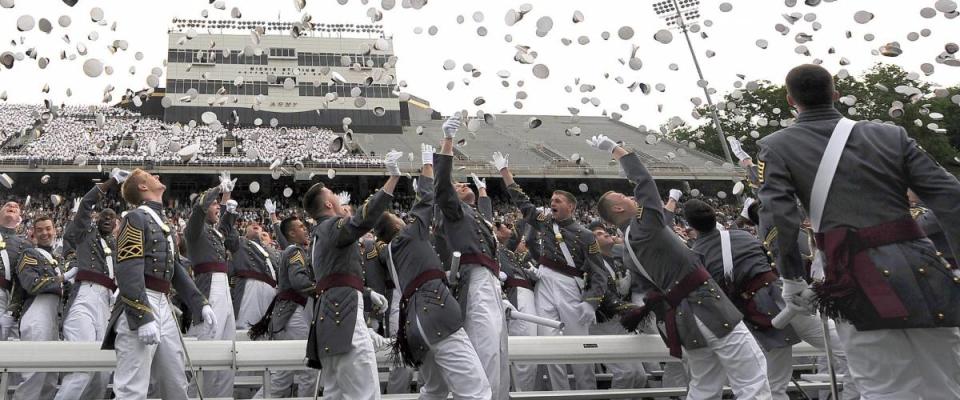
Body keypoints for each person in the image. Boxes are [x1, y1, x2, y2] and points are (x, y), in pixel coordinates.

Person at [757, 63, 960, 399]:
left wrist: (792, 277)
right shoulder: (890, 134)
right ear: (835, 94)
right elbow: (952, 196)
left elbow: (779, 216)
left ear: (791, 100)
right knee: (947, 383)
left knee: (884, 386)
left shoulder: (776, 146)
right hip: (925, 268)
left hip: (855, 273)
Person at [589, 135, 771, 399]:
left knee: (704, 386)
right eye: (623, 196)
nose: (630, 196)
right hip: (706, 306)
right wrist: (617, 151)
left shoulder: (628, 246)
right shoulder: (643, 225)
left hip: (684, 317)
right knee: (752, 374)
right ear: (618, 208)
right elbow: (644, 182)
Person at [683, 199, 856, 399]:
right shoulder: (745, 237)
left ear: (690, 226)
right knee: (848, 348)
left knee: (774, 386)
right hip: (783, 299)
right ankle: (854, 394)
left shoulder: (696, 254)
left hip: (758, 314)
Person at [372, 143, 491, 400]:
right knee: (476, 391)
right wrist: (427, 164)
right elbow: (425, 200)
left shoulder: (393, 250)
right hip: (436, 316)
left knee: (435, 391)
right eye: (398, 217)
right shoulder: (407, 236)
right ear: (396, 225)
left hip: (415, 326)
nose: (404, 219)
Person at [495, 150, 607, 392]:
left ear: (572, 207)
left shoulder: (586, 235)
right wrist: (505, 173)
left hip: (570, 288)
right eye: (552, 200)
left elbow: (599, 272)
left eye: (558, 201)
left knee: (580, 349)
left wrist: (591, 302)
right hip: (545, 284)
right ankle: (561, 394)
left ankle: (587, 394)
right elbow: (523, 204)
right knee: (550, 346)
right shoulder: (546, 222)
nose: (552, 203)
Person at [101, 168, 216, 400]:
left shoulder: (162, 221)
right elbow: (128, 270)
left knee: (175, 382)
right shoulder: (134, 218)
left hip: (163, 304)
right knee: (132, 388)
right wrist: (142, 316)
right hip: (141, 302)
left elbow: (175, 270)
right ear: (143, 187)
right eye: (152, 176)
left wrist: (199, 303)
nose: (159, 178)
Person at [304, 150, 400, 399]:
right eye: (333, 195)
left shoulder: (318, 237)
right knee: (365, 393)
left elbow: (334, 276)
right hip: (344, 319)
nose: (337, 197)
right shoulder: (330, 227)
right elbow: (360, 221)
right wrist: (391, 181)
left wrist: (366, 293)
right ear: (327, 204)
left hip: (331, 321)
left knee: (336, 393)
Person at [435, 116, 510, 398]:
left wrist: (482, 192)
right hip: (474, 279)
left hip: (491, 281)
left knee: (500, 349)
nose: (462, 184)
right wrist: (448, 142)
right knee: (485, 347)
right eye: (459, 185)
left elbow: (486, 223)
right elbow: (442, 186)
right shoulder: (452, 211)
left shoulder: (473, 214)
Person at [55, 169, 127, 400]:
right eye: (102, 216)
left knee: (103, 372)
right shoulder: (86, 234)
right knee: (83, 366)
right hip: (85, 297)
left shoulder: (118, 246)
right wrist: (112, 182)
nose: (107, 218)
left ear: (116, 223)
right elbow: (86, 204)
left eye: (111, 217)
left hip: (108, 303)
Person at [250, 215, 319, 398]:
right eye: (301, 227)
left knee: (283, 375)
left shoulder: (292, 250)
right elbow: (299, 281)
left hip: (288, 314)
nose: (305, 229)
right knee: (308, 371)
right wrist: (320, 290)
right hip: (293, 314)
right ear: (291, 233)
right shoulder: (296, 251)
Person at [183, 172, 237, 397]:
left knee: (227, 347)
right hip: (209, 286)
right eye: (214, 205)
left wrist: (227, 199)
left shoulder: (212, 231)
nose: (218, 207)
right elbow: (199, 210)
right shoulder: (194, 229)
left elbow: (223, 227)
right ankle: (198, 396)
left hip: (223, 286)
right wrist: (218, 189)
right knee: (209, 341)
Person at [588, 221, 649, 392]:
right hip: (602, 324)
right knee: (625, 374)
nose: (604, 233)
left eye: (604, 231)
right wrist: (631, 309)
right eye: (597, 234)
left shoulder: (618, 262)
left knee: (639, 376)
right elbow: (603, 295)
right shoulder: (590, 264)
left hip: (621, 322)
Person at [13, 215, 68, 400]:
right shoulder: (29, 254)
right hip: (36, 313)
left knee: (51, 376)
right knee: (34, 374)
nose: (45, 233)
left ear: (55, 230)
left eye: (48, 228)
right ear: (33, 233)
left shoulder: (57, 258)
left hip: (54, 316)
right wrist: (61, 280)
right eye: (40, 230)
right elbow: (31, 284)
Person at [494, 219, 539, 392]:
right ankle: (523, 393)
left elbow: (518, 231)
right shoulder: (493, 246)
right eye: (501, 226)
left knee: (530, 348)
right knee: (525, 348)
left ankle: (524, 391)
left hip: (525, 293)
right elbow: (518, 230)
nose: (505, 227)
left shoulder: (506, 250)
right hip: (515, 294)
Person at [228, 220, 278, 330]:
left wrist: (274, 219)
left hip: (272, 290)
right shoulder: (240, 243)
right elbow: (227, 227)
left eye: (259, 225)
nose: (255, 224)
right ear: (245, 233)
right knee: (246, 327)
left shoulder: (272, 251)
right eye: (250, 224)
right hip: (250, 287)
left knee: (268, 329)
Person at [0, 200, 31, 341]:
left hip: (4, 298)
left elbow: (21, 283)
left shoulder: (25, 245)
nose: (12, 207)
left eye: (16, 207)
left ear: (20, 218)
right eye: (8, 205)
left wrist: (13, 311)